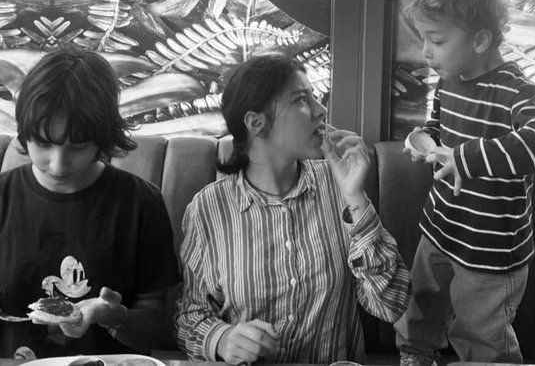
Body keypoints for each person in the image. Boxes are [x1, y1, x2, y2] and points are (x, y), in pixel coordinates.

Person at [0, 46, 179, 359]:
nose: (58, 164)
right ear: (24, 134)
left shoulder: (141, 202)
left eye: (77, 147)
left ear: (103, 138)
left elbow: (156, 327)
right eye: (43, 143)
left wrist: (113, 316)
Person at [174, 54, 411, 364]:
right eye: (301, 99)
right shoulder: (208, 209)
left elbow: (392, 304)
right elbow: (189, 317)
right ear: (256, 123)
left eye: (314, 96)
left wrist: (355, 197)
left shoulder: (338, 186)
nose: (320, 109)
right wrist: (221, 338)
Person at [395, 0, 535, 366]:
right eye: (424, 39)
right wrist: (424, 138)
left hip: (490, 249)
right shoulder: (449, 80)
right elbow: (440, 127)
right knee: (421, 304)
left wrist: (463, 158)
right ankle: (416, 355)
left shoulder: (512, 90)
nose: (426, 52)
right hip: (440, 227)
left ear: (480, 40)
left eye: (437, 40)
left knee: (481, 334)